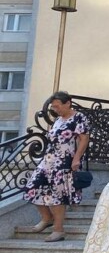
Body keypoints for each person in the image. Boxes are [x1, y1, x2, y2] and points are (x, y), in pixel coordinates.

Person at [24, 92, 90, 243]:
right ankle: (47, 218)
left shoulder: (79, 117)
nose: (55, 109)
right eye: (53, 107)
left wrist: (77, 158)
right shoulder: (58, 120)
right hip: (48, 160)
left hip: (64, 161)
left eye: (57, 106)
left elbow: (84, 139)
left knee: (57, 195)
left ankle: (58, 230)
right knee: (32, 187)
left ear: (68, 103)